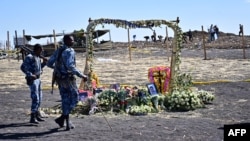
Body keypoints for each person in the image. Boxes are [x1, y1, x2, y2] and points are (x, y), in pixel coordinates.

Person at [47, 35, 88, 131]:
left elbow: (49, 63)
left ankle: (66, 122)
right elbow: (70, 66)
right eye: (71, 40)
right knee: (75, 98)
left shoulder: (59, 50)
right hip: (68, 79)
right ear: (67, 41)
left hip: (60, 79)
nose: (73, 41)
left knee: (65, 100)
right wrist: (82, 75)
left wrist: (58, 68)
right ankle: (62, 118)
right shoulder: (69, 51)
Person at [20, 44, 47, 124]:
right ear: (36, 49)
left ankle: (37, 114)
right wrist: (30, 74)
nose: (41, 51)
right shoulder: (30, 57)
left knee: (40, 98)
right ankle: (32, 117)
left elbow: (39, 68)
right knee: (35, 98)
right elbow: (23, 67)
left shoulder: (37, 57)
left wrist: (44, 63)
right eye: (40, 50)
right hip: (32, 80)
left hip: (38, 79)